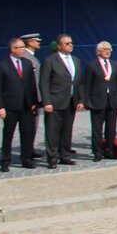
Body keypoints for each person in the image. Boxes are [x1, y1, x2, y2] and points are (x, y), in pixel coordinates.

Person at [40, 33, 83, 169]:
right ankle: (52, 157)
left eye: (71, 43)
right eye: (67, 43)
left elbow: (78, 82)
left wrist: (80, 99)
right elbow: (44, 82)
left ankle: (65, 155)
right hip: (55, 101)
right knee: (53, 131)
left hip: (70, 101)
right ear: (59, 46)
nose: (70, 45)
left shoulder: (75, 60)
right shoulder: (50, 60)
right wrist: (46, 101)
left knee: (67, 130)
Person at [0, 38, 39, 171]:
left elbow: (32, 85)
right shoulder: (3, 65)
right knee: (8, 134)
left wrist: (33, 102)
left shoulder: (26, 63)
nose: (22, 50)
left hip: (26, 105)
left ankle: (26, 159)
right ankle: (5, 160)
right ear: (12, 49)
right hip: (10, 106)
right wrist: (0, 106)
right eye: (20, 47)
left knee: (27, 133)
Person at [84, 41, 117, 161]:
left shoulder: (115, 64)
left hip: (112, 100)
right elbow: (87, 84)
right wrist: (86, 101)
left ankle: (109, 150)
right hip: (97, 100)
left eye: (110, 49)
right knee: (97, 129)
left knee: (111, 128)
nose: (108, 51)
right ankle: (97, 152)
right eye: (105, 49)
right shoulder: (92, 65)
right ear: (98, 51)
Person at [20, 33, 44, 159]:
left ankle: (30, 148)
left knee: (33, 125)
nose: (39, 43)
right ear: (29, 42)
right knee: (29, 126)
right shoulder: (25, 57)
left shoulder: (32, 57)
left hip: (36, 97)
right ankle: (27, 150)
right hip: (30, 98)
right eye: (36, 41)